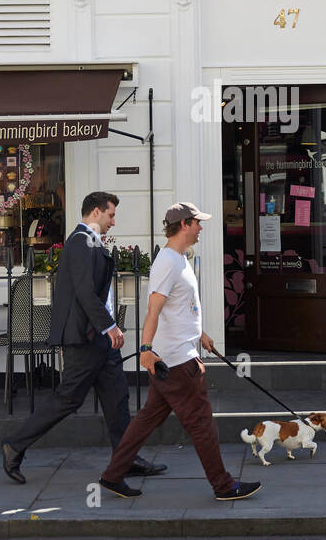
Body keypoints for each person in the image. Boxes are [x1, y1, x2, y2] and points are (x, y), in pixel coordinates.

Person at [99, 203, 261, 502]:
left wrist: (200, 334)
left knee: (147, 419)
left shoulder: (180, 259)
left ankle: (112, 475)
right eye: (198, 223)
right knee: (201, 424)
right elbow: (154, 310)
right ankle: (224, 485)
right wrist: (145, 349)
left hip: (175, 355)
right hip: (177, 361)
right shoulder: (168, 263)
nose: (201, 228)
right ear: (184, 224)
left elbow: (178, 307)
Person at [1, 191, 166, 483]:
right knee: (69, 399)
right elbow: (84, 292)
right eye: (111, 214)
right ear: (95, 213)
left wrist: (108, 328)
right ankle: (14, 445)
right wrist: (110, 327)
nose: (113, 221)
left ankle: (126, 458)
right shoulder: (80, 242)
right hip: (86, 338)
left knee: (117, 398)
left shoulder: (89, 242)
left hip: (100, 339)